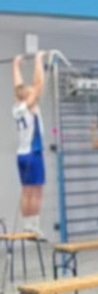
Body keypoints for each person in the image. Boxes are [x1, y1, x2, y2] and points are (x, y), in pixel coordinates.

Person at [11, 51, 46, 237]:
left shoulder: (17, 106)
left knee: (26, 191)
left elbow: (18, 86)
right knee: (36, 191)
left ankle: (27, 226)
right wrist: (38, 60)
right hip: (34, 153)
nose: (34, 92)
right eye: (31, 92)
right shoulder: (29, 105)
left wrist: (16, 65)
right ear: (28, 96)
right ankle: (34, 226)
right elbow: (39, 84)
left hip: (22, 154)